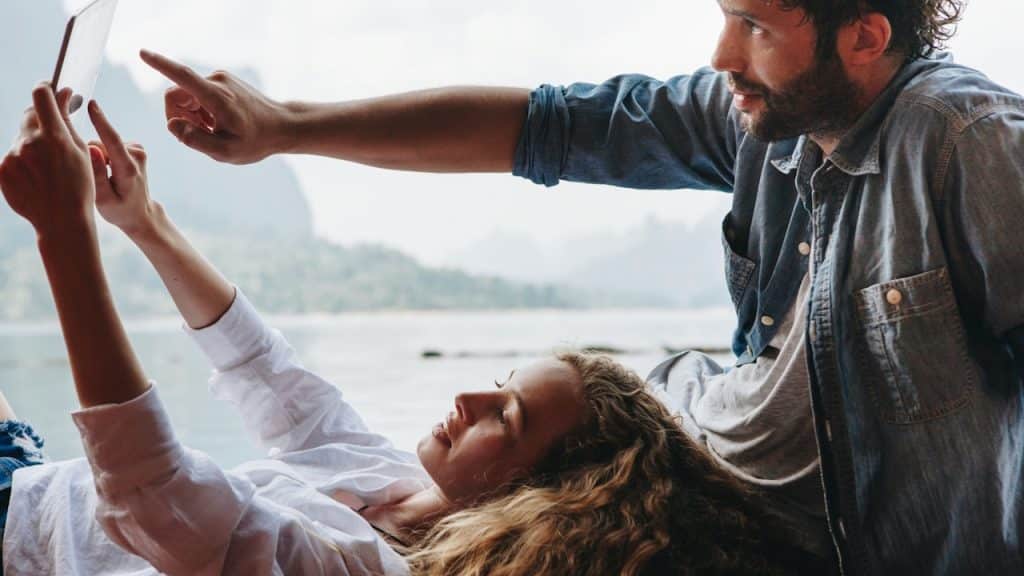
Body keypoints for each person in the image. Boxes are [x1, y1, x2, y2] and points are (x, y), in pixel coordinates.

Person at [137, 0, 1024, 573]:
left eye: (754, 24)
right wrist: (283, 127)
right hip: (655, 489)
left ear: (866, 35)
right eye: (724, 15)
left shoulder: (969, 146)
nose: (721, 52)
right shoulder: (765, 116)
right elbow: (550, 127)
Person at [0, 86, 821, 575]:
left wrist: (66, 237)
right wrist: (145, 225)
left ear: (542, 495)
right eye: (501, 388)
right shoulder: (391, 480)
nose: (469, 399)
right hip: (28, 476)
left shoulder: (373, 567)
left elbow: (156, 499)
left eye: (509, 419)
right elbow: (269, 378)